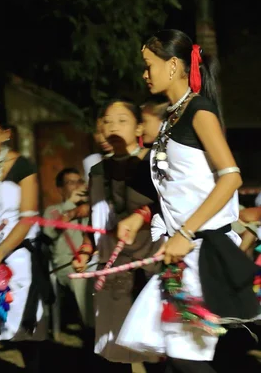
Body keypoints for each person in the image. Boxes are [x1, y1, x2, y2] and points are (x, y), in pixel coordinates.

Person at [116, 29, 259, 373]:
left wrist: (187, 232)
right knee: (175, 358)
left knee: (185, 358)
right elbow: (179, 186)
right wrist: (142, 215)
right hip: (180, 254)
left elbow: (231, 177)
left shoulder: (200, 113)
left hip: (203, 251)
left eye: (149, 65)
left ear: (174, 65)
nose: (144, 73)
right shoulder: (169, 118)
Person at [73, 98, 164, 373]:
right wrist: (86, 250)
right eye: (108, 121)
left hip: (149, 264)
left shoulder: (154, 163)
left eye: (122, 120)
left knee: (153, 349)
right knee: (113, 350)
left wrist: (143, 216)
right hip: (110, 268)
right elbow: (96, 219)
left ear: (138, 126)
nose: (113, 127)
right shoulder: (98, 170)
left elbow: (169, 207)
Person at [0, 103, 51, 373]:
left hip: (17, 254)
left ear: (5, 134)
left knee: (23, 326)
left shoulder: (22, 165)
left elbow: (28, 217)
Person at [43, 167, 94, 329]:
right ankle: (91, 329)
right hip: (67, 264)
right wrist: (70, 205)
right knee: (82, 280)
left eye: (79, 181)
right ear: (60, 188)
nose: (77, 186)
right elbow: (49, 232)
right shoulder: (53, 210)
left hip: (92, 259)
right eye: (71, 183)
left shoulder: (90, 208)